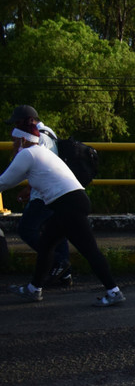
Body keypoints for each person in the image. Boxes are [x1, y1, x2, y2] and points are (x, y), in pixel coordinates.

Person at [1, 108, 125, 306]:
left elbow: (4, 182)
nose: (12, 146)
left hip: (69, 205)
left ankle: (113, 291)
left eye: (14, 141)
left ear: (22, 140)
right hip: (70, 203)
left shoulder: (27, 154)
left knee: (89, 250)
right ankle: (34, 289)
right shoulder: (40, 152)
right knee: (46, 245)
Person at [12, 110, 72, 285]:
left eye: (17, 123)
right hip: (53, 192)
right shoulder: (49, 133)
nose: (16, 127)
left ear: (28, 121)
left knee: (26, 230)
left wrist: (30, 189)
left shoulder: (39, 138)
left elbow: (38, 165)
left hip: (43, 194)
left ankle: (58, 261)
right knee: (55, 232)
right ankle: (64, 274)